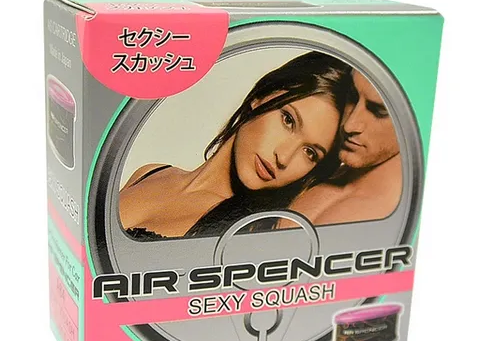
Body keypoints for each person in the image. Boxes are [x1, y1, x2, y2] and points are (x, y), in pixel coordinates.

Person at [119, 51, 351, 240]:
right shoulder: (149, 173)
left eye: (310, 153)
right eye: (288, 120)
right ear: (261, 96)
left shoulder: (253, 234)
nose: (283, 157)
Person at [279, 69, 402, 228]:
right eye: (352, 96)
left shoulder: (407, 215)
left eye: (378, 111)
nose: (350, 125)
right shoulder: (312, 176)